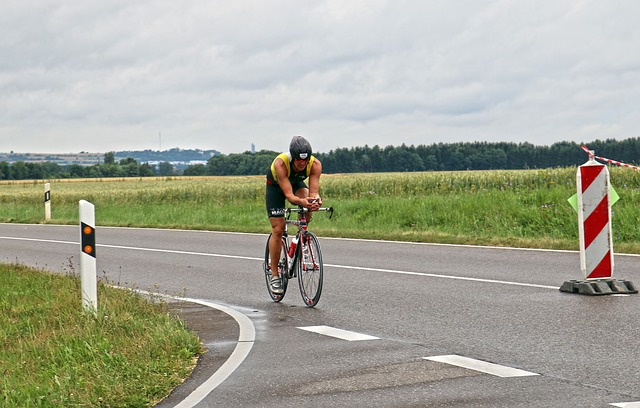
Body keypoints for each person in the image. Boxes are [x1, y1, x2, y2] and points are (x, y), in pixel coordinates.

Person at [265, 136, 322, 294]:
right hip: (276, 188)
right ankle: (275, 274)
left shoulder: (315, 164)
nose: (302, 164)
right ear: (293, 158)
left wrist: (315, 201)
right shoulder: (281, 163)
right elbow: (289, 196)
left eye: (305, 161)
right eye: (299, 161)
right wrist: (302, 202)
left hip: (296, 183)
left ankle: (301, 237)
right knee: (278, 229)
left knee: (308, 203)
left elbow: (314, 192)